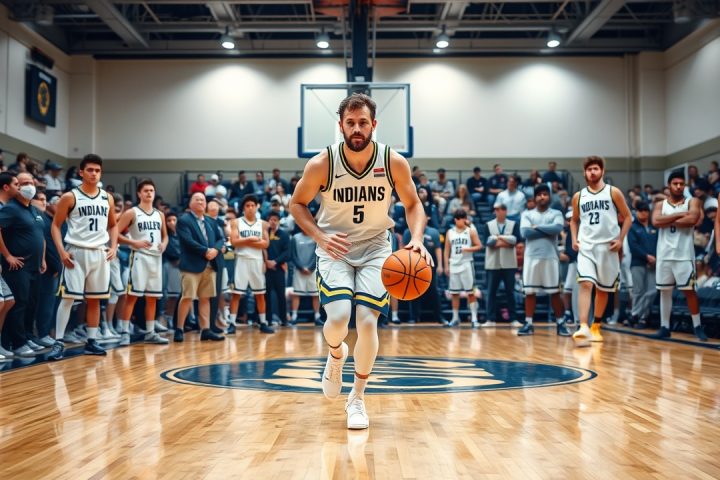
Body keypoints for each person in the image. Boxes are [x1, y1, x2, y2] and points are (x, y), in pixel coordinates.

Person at [288, 93, 431, 430]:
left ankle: (357, 398)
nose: (356, 129)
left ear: (373, 125)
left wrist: (416, 238)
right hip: (334, 247)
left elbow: (413, 204)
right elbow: (296, 204)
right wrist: (320, 237)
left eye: (362, 122)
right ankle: (335, 353)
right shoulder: (322, 163)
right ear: (340, 126)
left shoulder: (393, 162)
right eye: (350, 123)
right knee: (338, 318)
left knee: (367, 322)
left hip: (376, 248)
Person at [48, 154, 119, 360]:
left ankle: (92, 340)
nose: (94, 173)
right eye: (90, 170)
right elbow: (55, 225)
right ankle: (58, 341)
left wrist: (114, 246)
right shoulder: (70, 197)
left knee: (95, 300)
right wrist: (61, 251)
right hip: (76, 252)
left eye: (97, 170)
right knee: (68, 298)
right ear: (81, 172)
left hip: (100, 252)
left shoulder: (107, 198)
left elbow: (113, 225)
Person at [570, 156, 632, 347]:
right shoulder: (579, 196)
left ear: (602, 171)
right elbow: (574, 220)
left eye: (596, 168)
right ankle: (583, 326)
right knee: (585, 283)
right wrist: (574, 239)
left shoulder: (613, 192)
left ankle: (596, 325)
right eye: (589, 169)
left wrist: (620, 240)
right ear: (585, 173)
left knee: (604, 290)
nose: (592, 172)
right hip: (587, 246)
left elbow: (628, 217)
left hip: (607, 246)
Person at [652, 171, 707, 340]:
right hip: (664, 254)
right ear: (669, 185)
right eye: (675, 183)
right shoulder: (660, 204)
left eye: (681, 184)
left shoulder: (693, 201)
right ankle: (664, 327)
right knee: (665, 291)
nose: (678, 186)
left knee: (689, 291)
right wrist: (679, 215)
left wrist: (667, 219)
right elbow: (655, 221)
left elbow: (692, 220)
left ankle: (697, 326)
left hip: (684, 255)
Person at [116, 179, 169, 345]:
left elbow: (165, 236)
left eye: (151, 190)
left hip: (156, 258)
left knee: (152, 298)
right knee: (132, 296)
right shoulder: (131, 212)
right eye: (146, 190)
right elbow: (115, 233)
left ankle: (150, 332)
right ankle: (124, 331)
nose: (149, 193)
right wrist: (133, 242)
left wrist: (164, 244)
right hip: (139, 257)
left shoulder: (160, 214)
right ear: (139, 193)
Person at [0, 172, 46, 356]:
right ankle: (17, 342)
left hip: (35, 265)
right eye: (23, 183)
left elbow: (40, 235)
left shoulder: (34, 209)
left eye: (30, 182)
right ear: (16, 187)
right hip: (19, 266)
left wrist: (42, 259)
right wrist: (8, 255)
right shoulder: (11, 209)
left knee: (31, 303)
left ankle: (27, 337)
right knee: (19, 304)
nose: (28, 186)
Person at [516, 185, 571, 336]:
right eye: (539, 194)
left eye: (545, 194)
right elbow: (525, 233)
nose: (542, 197)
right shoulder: (527, 214)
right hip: (531, 258)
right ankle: (528, 323)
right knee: (530, 292)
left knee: (554, 292)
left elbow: (557, 229)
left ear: (549, 197)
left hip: (550, 257)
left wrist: (537, 227)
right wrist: (547, 230)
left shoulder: (556, 213)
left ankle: (560, 323)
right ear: (535, 198)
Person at [173, 192, 226, 342]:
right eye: (197, 199)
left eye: (202, 200)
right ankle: (179, 329)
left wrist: (215, 250)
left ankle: (205, 330)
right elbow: (188, 241)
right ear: (190, 203)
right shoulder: (184, 220)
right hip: (191, 265)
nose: (200, 202)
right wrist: (206, 251)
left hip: (209, 266)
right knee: (187, 297)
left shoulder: (211, 221)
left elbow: (220, 239)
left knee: (205, 298)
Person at [228, 195, 274, 334]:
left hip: (257, 261)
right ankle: (232, 323)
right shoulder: (236, 222)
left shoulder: (263, 224)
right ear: (243, 208)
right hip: (241, 260)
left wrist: (245, 241)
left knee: (260, 294)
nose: (250, 208)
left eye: (252, 205)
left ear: (256, 207)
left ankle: (263, 322)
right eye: (247, 205)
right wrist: (251, 239)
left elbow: (266, 244)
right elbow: (234, 242)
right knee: (236, 294)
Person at [31, 190, 62, 348]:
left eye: (44, 199)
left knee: (51, 303)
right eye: (40, 199)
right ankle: (41, 333)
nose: (43, 202)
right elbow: (49, 246)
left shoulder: (52, 219)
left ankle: (47, 332)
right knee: (45, 303)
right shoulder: (41, 219)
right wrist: (56, 265)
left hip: (53, 268)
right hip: (47, 269)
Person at [482, 203, 520, 327]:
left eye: (500, 209)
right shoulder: (488, 225)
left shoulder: (514, 224)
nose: (498, 212)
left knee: (510, 292)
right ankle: (490, 319)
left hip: (509, 264)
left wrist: (498, 238)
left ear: (505, 211)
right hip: (493, 264)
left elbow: (515, 241)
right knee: (491, 292)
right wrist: (507, 241)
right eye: (496, 210)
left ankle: (513, 319)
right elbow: (488, 242)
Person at [443, 209, 482, 327]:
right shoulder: (450, 232)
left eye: (463, 218)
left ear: (465, 219)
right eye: (458, 219)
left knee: (470, 292)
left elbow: (479, 246)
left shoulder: (471, 231)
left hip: (466, 263)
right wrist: (446, 266)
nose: (461, 221)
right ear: (455, 220)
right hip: (454, 264)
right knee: (454, 293)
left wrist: (468, 249)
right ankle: (455, 318)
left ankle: (474, 319)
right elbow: (446, 251)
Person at [402, 217, 443, 324]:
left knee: (434, 291)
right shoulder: (408, 232)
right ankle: (414, 317)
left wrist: (440, 265)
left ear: (427, 220)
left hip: (430, 266)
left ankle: (439, 317)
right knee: (413, 291)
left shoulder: (433, 232)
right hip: (414, 267)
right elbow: (403, 249)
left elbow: (438, 249)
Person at [627, 201, 657, 328]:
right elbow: (633, 246)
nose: (643, 213)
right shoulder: (633, 227)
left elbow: (659, 244)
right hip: (638, 263)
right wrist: (646, 257)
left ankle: (635, 315)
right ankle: (641, 318)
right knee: (639, 291)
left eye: (645, 210)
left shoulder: (654, 227)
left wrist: (654, 258)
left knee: (652, 291)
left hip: (653, 263)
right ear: (636, 212)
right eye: (641, 211)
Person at [0, 173, 17, 360]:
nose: (19, 188)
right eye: (16, 184)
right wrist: (6, 256)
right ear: (6, 187)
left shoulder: (6, 207)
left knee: (9, 301)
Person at [289, 229, 322, 325]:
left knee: (315, 294)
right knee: (296, 294)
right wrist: (301, 268)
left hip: (313, 270)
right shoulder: (295, 238)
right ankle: (294, 316)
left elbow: (318, 254)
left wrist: (311, 268)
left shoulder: (316, 237)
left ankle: (317, 317)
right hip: (299, 270)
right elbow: (293, 255)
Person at [265, 211, 290, 326]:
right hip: (265, 269)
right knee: (266, 295)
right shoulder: (264, 233)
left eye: (275, 220)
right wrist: (266, 262)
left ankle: (283, 320)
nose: (273, 222)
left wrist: (275, 262)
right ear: (268, 221)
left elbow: (287, 252)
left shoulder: (284, 235)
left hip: (279, 268)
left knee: (281, 295)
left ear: (278, 221)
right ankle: (268, 320)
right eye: (271, 219)